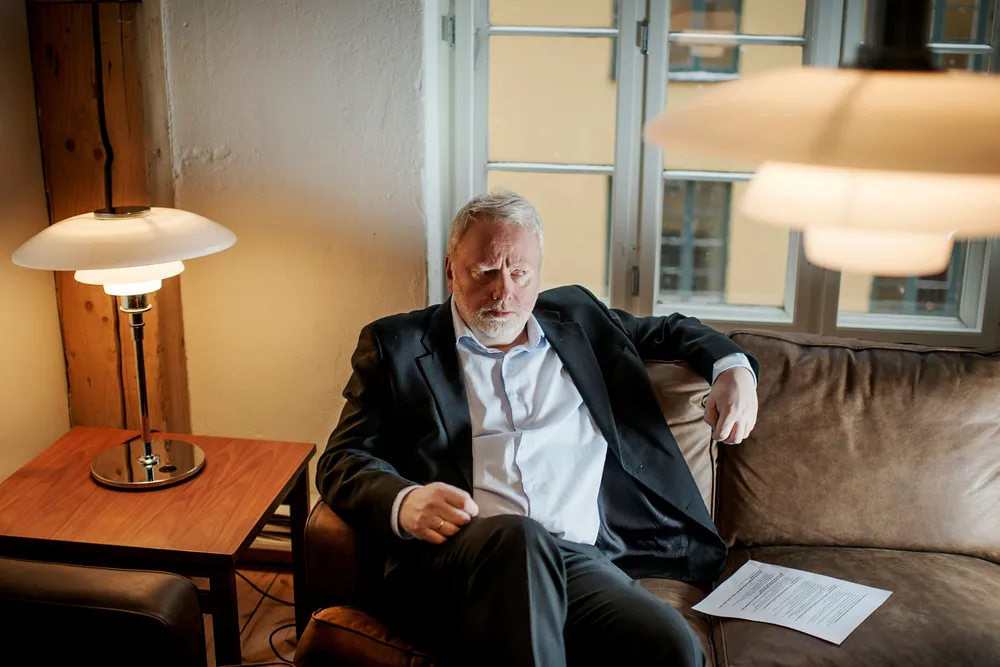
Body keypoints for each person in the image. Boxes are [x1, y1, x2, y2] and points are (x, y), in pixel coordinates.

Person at [317, 190, 759, 667]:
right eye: (485, 271)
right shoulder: (397, 345)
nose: (503, 291)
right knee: (518, 537)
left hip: (577, 560)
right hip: (461, 558)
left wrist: (733, 369)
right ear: (451, 270)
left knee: (672, 646)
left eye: (520, 273)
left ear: (539, 272)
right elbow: (342, 459)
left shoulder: (579, 319)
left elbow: (671, 329)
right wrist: (405, 502)